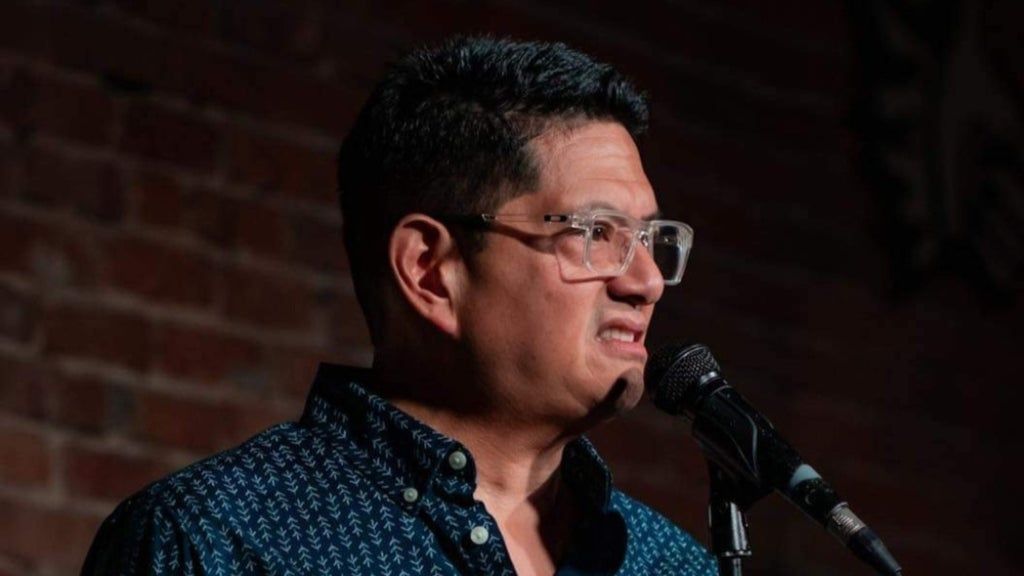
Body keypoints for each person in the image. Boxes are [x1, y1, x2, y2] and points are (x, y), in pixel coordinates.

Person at [81, 36, 716, 576]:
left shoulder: (672, 564)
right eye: (597, 233)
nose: (646, 281)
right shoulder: (212, 540)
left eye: (649, 239)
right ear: (430, 271)